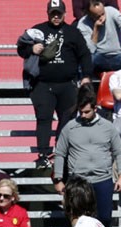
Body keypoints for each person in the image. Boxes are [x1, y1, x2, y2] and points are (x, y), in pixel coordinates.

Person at [16, 0, 92, 169]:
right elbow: (20, 48)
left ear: (65, 14)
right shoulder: (38, 29)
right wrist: (31, 50)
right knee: (44, 118)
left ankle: (61, 152)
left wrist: (86, 76)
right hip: (42, 84)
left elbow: (85, 55)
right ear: (48, 14)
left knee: (67, 120)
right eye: (53, 13)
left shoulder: (73, 32)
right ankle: (43, 155)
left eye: (59, 13)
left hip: (67, 84)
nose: (56, 16)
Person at [53, 87, 121, 227]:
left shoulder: (108, 127)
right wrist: (58, 179)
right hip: (78, 180)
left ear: (95, 108)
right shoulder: (70, 128)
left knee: (104, 217)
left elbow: (119, 152)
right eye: (81, 112)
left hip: (102, 179)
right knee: (76, 218)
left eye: (87, 112)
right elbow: (60, 153)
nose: (84, 115)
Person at [77, 0, 121, 73]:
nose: (102, 17)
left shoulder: (111, 11)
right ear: (90, 15)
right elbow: (91, 49)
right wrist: (96, 29)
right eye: (98, 16)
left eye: (103, 14)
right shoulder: (83, 24)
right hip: (99, 55)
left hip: (118, 54)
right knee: (84, 62)